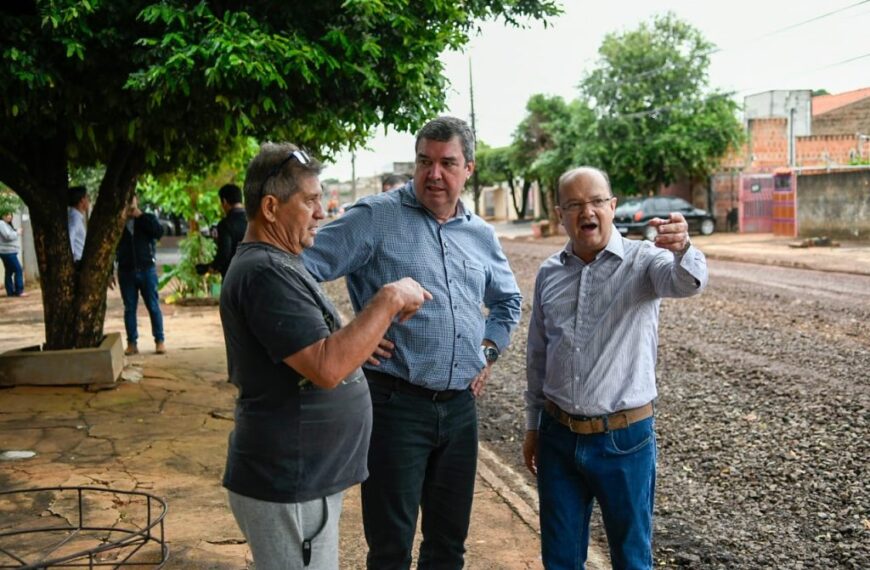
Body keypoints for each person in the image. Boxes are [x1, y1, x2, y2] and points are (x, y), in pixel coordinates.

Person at [303, 116, 523, 569]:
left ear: (469, 169)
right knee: (390, 550)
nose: (434, 174)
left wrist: (486, 352)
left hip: (461, 411)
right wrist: (343, 330)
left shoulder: (479, 234)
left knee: (448, 547)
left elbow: (508, 302)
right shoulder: (376, 217)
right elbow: (295, 267)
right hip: (394, 408)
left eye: (447, 163)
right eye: (425, 161)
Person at [220, 142, 431, 570]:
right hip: (290, 482)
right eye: (311, 201)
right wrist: (388, 298)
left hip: (302, 481)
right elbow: (326, 366)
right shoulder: (264, 272)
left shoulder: (280, 261)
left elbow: (325, 350)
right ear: (272, 207)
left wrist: (359, 334)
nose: (322, 213)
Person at [523, 166, 708, 569]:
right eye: (573, 204)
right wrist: (533, 426)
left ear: (612, 206)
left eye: (595, 201)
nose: (585, 212)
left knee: (631, 558)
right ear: (560, 214)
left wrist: (683, 247)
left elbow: (687, 282)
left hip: (624, 442)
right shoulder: (549, 273)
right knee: (560, 558)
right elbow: (538, 354)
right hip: (557, 439)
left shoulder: (644, 262)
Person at [115, 195, 165, 355]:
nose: (129, 205)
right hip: (126, 270)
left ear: (136, 201)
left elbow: (158, 232)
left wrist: (140, 216)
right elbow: (109, 248)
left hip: (146, 269)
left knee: (153, 306)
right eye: (126, 201)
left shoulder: (146, 218)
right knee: (129, 308)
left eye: (132, 200)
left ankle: (160, 340)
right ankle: (132, 343)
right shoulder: (117, 223)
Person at [196, 183, 247, 279]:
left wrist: (211, 267)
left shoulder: (225, 224)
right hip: (254, 276)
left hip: (233, 277)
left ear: (224, 201)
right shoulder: (254, 221)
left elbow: (224, 253)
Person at [0, 210, 25, 297]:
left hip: (8, 251)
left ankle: (10, 292)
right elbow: (8, 236)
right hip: (8, 252)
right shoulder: (1, 223)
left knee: (9, 271)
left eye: (10, 214)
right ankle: (19, 290)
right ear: (2, 216)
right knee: (18, 269)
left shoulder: (6, 224)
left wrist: (15, 231)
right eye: (7, 215)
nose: (9, 216)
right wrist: (17, 232)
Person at [67, 185, 89, 268]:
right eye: (87, 197)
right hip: (77, 263)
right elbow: (70, 236)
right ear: (82, 200)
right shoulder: (75, 218)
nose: (88, 200)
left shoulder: (75, 216)